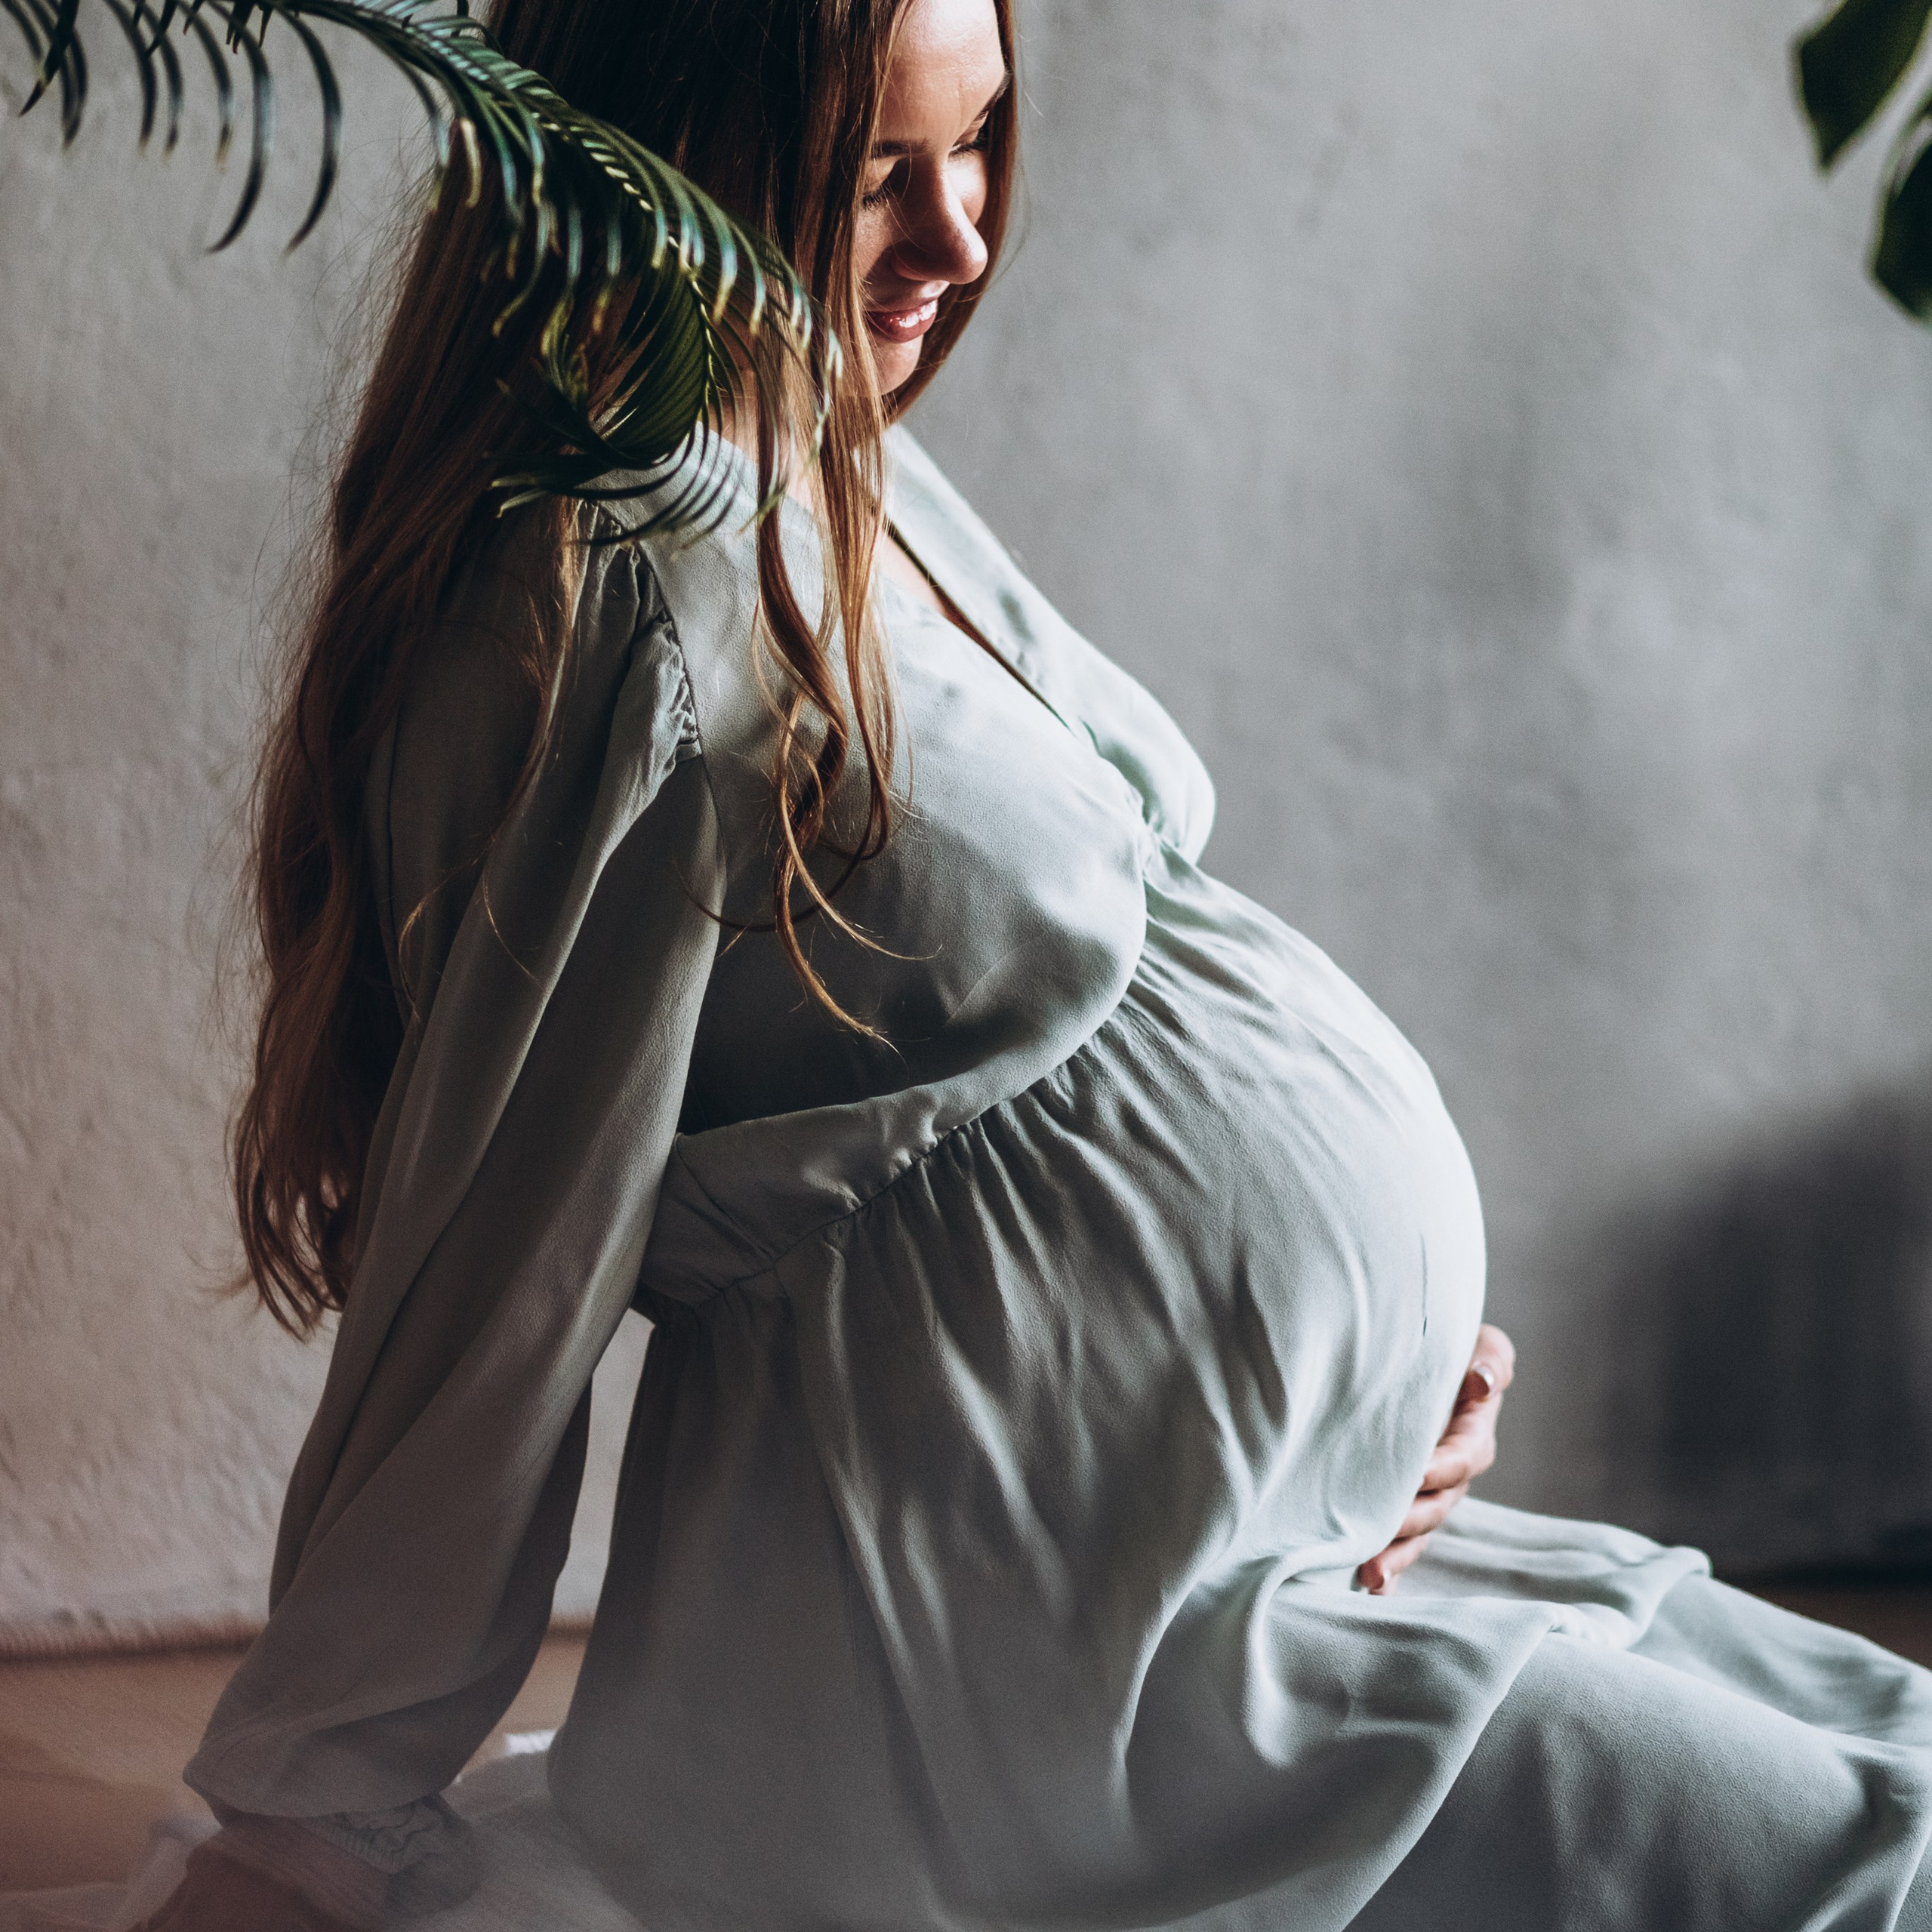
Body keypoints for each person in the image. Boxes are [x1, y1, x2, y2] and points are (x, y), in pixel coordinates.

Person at [120, 0, 1932, 1924]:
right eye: (869, 175)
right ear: (650, 166)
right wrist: (322, 1798)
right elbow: (502, 1243)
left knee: (1878, 1759)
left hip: (1227, 1552)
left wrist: (1374, 1377)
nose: (961, 234)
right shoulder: (594, 597)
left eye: (976, 140)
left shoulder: (821, 454)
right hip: (1042, 1651)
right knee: (1859, 1858)